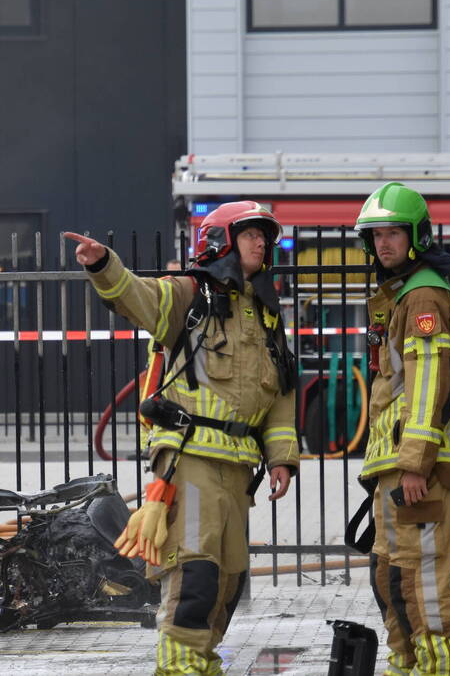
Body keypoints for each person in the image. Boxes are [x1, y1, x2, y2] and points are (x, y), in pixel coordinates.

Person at [65, 200, 299, 676]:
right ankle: (178, 670)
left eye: (265, 235)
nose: (262, 242)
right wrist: (104, 265)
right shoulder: (192, 294)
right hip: (189, 460)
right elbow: (139, 297)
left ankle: (202, 666)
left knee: (227, 584)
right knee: (194, 575)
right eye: (251, 233)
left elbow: (277, 398)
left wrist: (282, 458)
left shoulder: (265, 316)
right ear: (222, 241)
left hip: (238, 469)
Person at [355, 182, 450, 675]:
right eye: (376, 235)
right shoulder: (402, 295)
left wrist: (414, 465)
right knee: (391, 573)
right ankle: (408, 664)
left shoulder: (423, 296)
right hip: (397, 468)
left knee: (420, 580)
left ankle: (440, 669)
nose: (383, 244)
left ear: (416, 236)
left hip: (418, 470)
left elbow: (428, 386)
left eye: (394, 234)